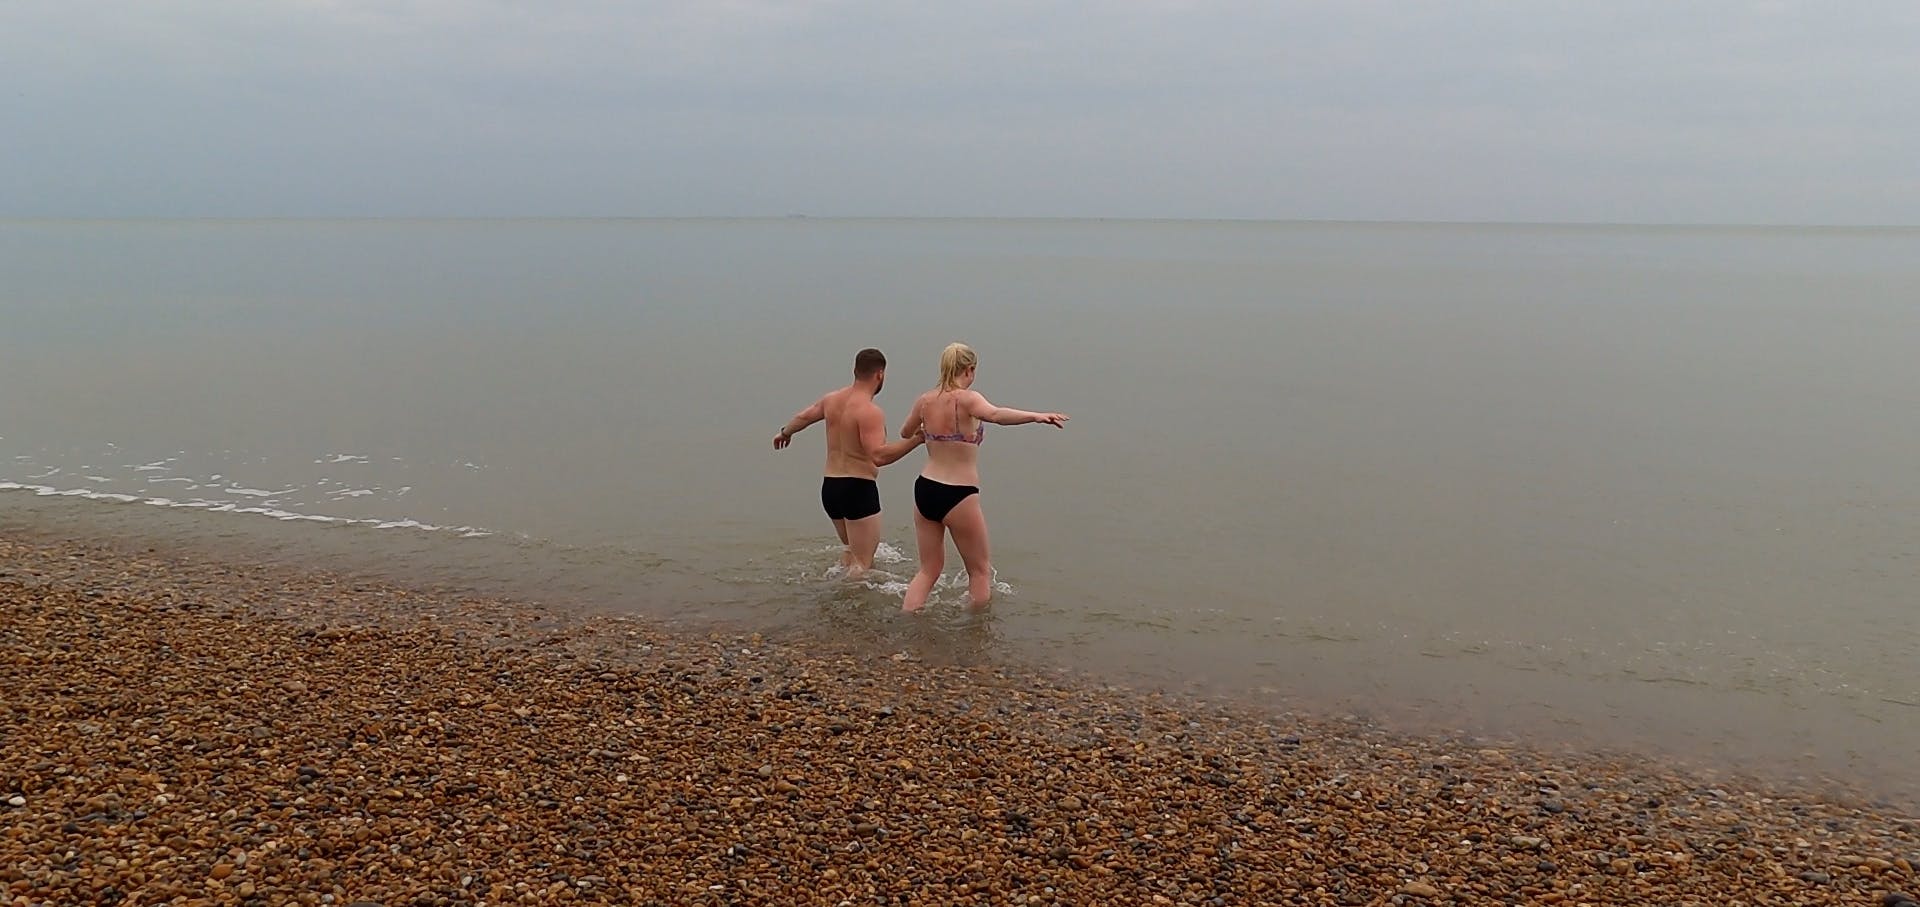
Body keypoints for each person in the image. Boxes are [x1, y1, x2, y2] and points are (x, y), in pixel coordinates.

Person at [898, 342, 1067, 611]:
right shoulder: (968, 399)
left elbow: (905, 432)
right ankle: (976, 639)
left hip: (926, 488)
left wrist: (930, 432)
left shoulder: (925, 401)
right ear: (970, 369)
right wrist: (1037, 416)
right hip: (958, 493)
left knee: (928, 570)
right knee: (979, 571)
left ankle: (908, 619)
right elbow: (997, 415)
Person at [774, 348, 925, 579]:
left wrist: (785, 432)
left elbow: (805, 416)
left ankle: (838, 601)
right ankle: (848, 607)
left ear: (855, 371)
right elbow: (879, 456)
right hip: (858, 488)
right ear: (880, 375)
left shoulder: (832, 400)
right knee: (862, 564)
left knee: (851, 551)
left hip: (831, 488)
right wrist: (917, 439)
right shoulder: (869, 411)